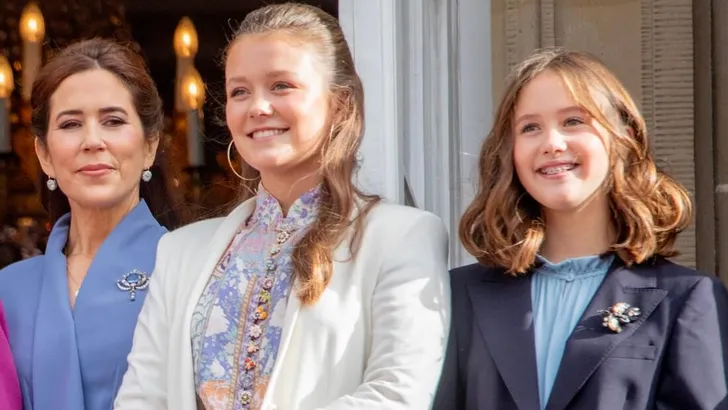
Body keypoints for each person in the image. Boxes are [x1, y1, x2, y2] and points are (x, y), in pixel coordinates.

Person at [114, 3, 451, 410]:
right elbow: (141, 398)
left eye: (281, 86)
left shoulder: (401, 237)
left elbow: (397, 395)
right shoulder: (181, 252)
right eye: (240, 91)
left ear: (340, 104)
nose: (257, 107)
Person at [434, 49, 728, 410]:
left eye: (573, 121)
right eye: (530, 128)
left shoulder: (687, 298)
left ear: (624, 137)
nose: (552, 143)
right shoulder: (457, 295)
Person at [0, 37, 184, 410]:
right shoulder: (9, 290)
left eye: (113, 121)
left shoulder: (188, 269)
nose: (92, 140)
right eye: (70, 124)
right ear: (44, 154)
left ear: (150, 145)